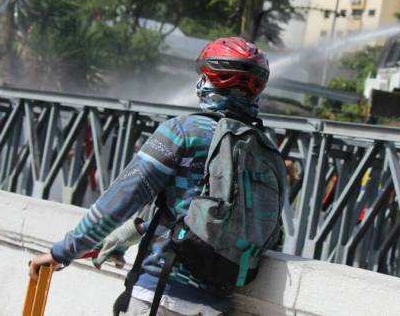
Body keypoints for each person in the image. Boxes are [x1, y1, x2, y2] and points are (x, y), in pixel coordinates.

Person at [28, 37, 281, 316]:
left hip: (161, 293)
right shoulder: (265, 151)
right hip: (215, 304)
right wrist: (136, 230)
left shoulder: (183, 131)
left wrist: (63, 251)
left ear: (209, 81)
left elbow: (123, 196)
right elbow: (212, 216)